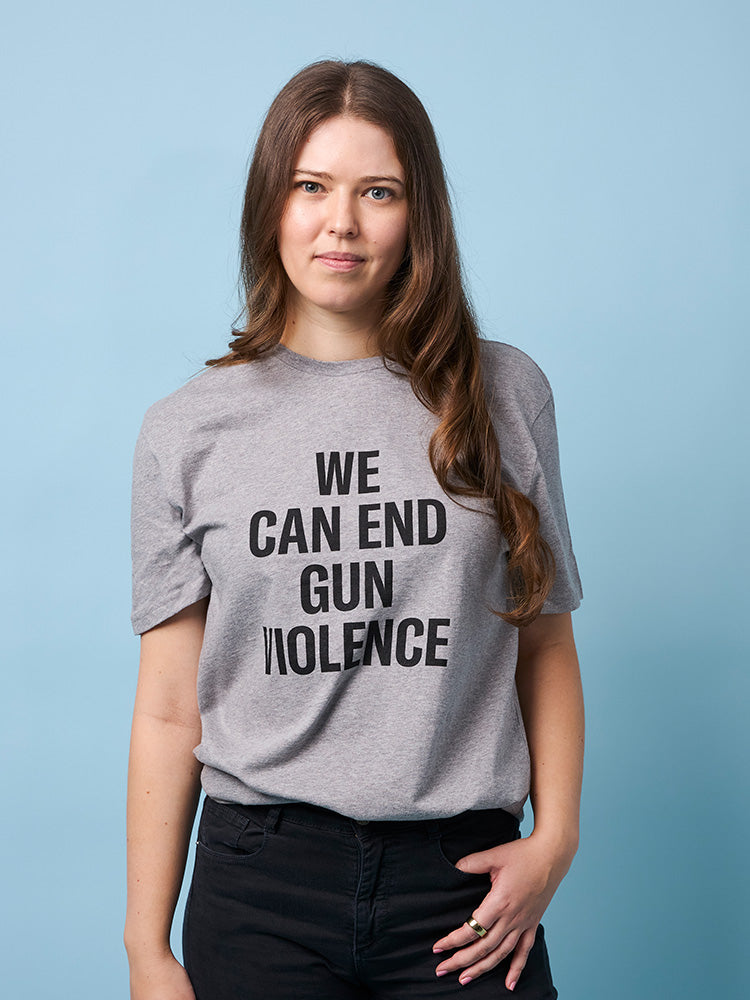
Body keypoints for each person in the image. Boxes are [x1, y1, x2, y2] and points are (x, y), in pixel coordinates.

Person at [124, 58, 584, 1000]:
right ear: (271, 206)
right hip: (262, 882)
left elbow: (543, 640)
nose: (342, 221)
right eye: (311, 186)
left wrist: (556, 840)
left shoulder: (504, 393)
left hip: (459, 885)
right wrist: (146, 946)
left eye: (378, 190)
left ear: (418, 215)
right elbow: (171, 707)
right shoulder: (186, 430)